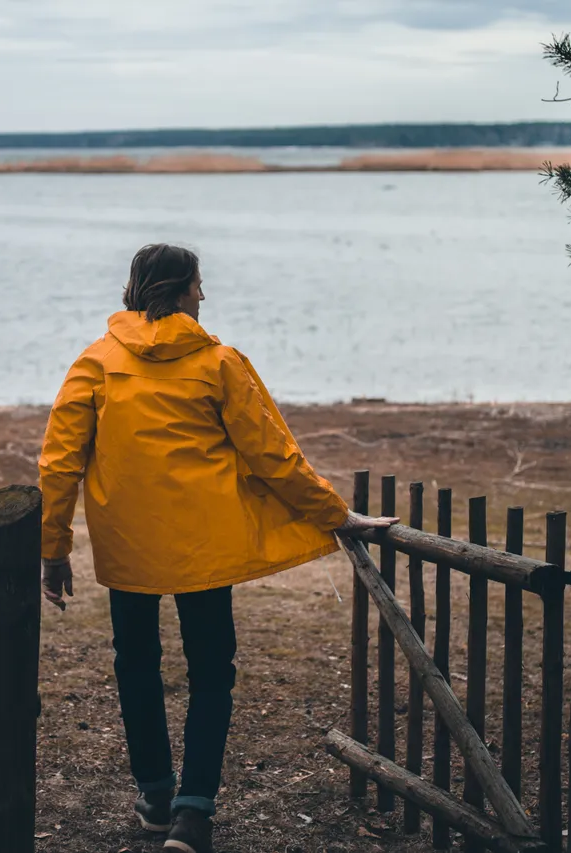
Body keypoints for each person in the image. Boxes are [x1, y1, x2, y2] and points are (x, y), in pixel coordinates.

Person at [38, 243, 397, 853]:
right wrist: (336, 516)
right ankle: (193, 815)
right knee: (210, 675)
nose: (204, 296)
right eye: (199, 285)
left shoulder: (95, 362)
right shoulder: (219, 362)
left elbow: (59, 463)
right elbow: (274, 455)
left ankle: (155, 796)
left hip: (129, 548)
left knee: (136, 666)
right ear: (179, 291)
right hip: (204, 549)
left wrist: (53, 549)